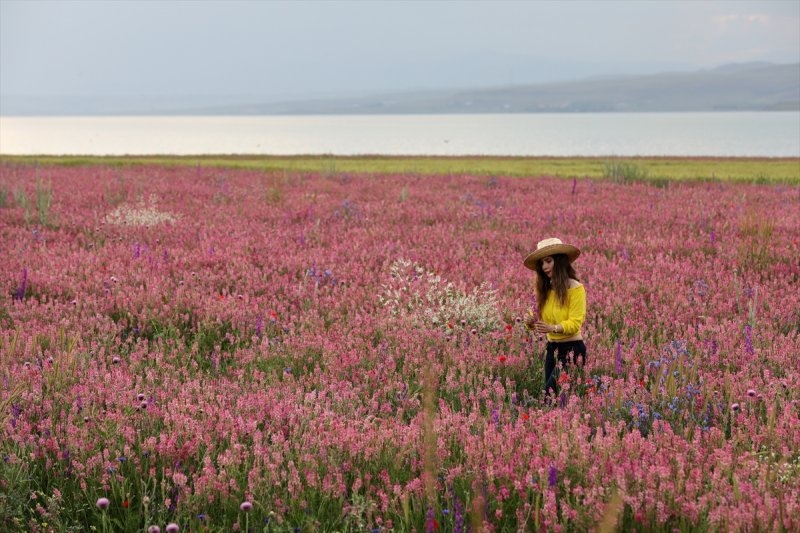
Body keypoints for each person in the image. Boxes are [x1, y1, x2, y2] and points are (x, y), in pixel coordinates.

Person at [523, 237, 587, 398]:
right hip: (552, 349)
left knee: (548, 396)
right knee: (552, 399)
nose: (544, 267)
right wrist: (530, 322)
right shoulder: (545, 289)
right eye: (542, 264)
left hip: (572, 348)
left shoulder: (575, 288)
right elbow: (537, 318)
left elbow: (575, 322)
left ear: (559, 261)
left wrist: (553, 328)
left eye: (548, 261)